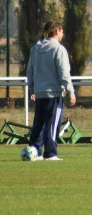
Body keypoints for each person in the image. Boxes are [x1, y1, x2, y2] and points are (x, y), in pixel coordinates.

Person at [26, 21, 76, 161]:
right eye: (62, 31)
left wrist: (31, 88)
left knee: (39, 123)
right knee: (52, 124)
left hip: (40, 92)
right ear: (58, 31)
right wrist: (70, 91)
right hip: (53, 93)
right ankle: (50, 153)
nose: (63, 34)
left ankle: (34, 150)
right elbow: (64, 73)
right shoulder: (59, 49)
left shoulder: (35, 48)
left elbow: (30, 71)